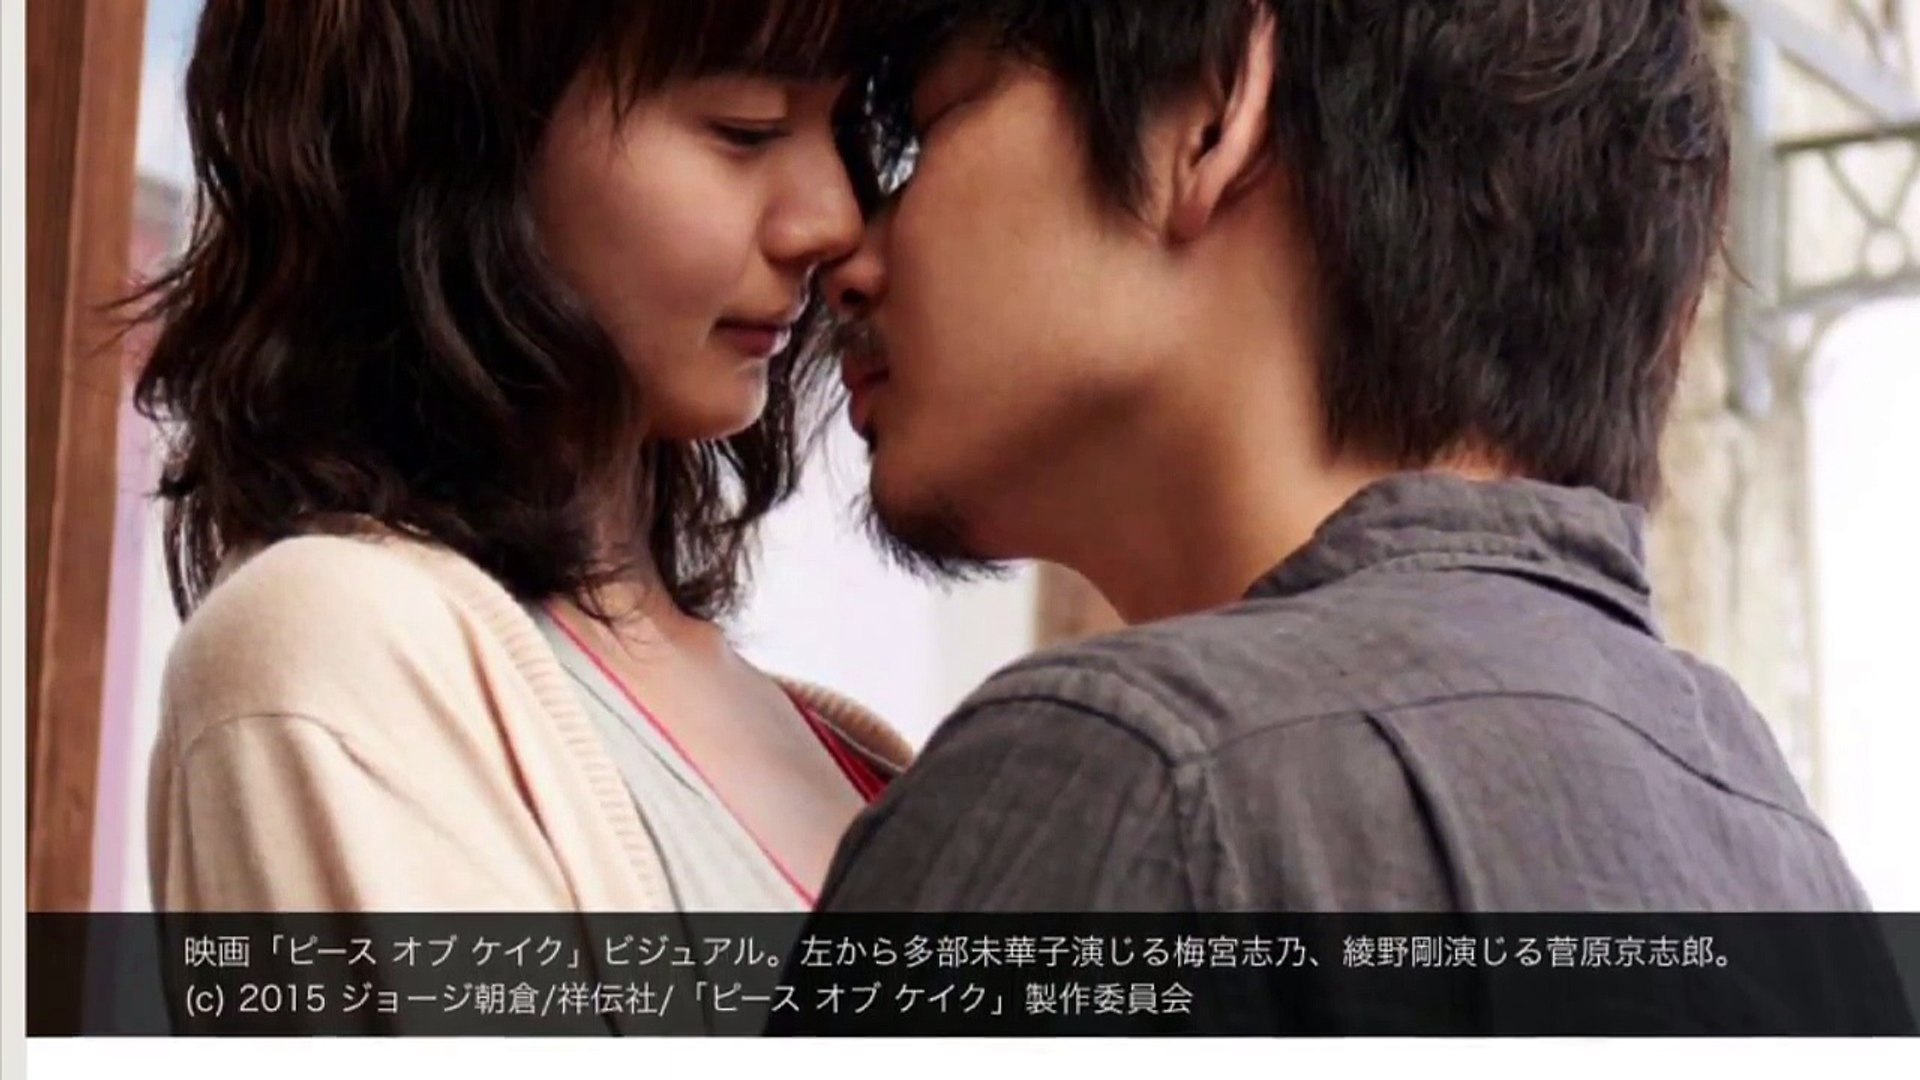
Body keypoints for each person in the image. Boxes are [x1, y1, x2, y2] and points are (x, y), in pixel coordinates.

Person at [812, 0, 1872, 913]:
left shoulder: (1129, 779)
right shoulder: (1790, 859)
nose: (843, 260)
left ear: (1211, 115)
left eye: (929, 131)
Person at [137, 0, 913, 914]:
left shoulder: (845, 751)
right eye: (746, 129)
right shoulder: (330, 644)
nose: (834, 219)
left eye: (842, 127)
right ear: (461, 139)